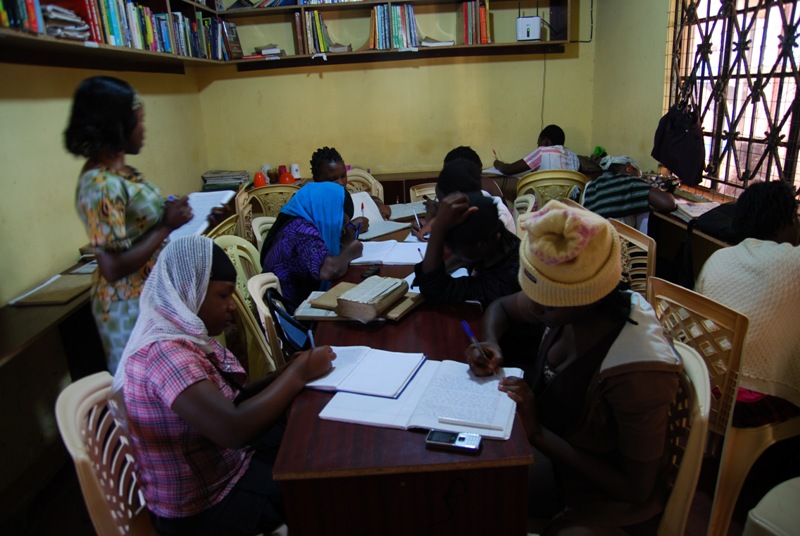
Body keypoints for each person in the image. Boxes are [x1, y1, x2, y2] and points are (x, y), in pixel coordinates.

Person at [468, 200, 682, 533]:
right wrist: (491, 341)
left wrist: (538, 434)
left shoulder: (638, 373)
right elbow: (502, 307)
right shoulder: (564, 301)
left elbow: (635, 489)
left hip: (598, 498)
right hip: (554, 455)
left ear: (587, 298)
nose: (533, 308)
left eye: (546, 307)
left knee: (473, 498)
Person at [113, 235, 336, 535]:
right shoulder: (164, 354)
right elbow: (233, 429)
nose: (232, 306)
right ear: (191, 290)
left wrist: (283, 373)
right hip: (204, 507)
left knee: (307, 443)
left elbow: (232, 399)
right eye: (223, 295)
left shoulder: (186, 334)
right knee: (321, 486)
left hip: (224, 469)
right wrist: (298, 375)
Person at [65, 76, 193, 374]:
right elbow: (112, 266)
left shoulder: (121, 173)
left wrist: (179, 214)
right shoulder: (99, 183)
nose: (143, 129)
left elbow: (140, 225)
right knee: (141, 384)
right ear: (118, 126)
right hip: (127, 305)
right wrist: (165, 226)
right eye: (139, 121)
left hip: (149, 294)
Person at [695, 180, 800, 427]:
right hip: (750, 405)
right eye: (796, 217)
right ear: (786, 221)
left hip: (703, 388)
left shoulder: (718, 257)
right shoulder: (794, 263)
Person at [260, 181, 363, 312]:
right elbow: (329, 270)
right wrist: (351, 252)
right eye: (340, 221)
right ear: (326, 209)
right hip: (290, 314)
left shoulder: (298, 219)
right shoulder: (302, 231)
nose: (341, 229)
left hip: (293, 304)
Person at [413, 189, 521, 309]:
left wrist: (438, 230)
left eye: (455, 249)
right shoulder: (496, 234)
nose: (451, 251)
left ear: (480, 245)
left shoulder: (501, 284)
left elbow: (433, 290)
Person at [412, 149, 516, 240]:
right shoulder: (470, 203)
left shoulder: (495, 214)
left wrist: (436, 224)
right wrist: (431, 219)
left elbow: (465, 244)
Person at [582, 155, 676, 233]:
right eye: (638, 174)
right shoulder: (630, 181)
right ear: (628, 167)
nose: (639, 178)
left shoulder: (591, 185)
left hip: (589, 240)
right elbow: (669, 203)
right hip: (615, 244)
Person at [310, 146, 390, 222]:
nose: (341, 183)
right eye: (332, 179)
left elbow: (365, 198)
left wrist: (379, 204)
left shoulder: (343, 196)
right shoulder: (311, 207)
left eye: (343, 176)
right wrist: (352, 227)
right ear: (316, 180)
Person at [492, 124, 580, 176]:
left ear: (545, 140)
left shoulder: (542, 152)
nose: (538, 146)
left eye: (539, 142)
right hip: (568, 201)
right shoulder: (574, 156)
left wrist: (498, 164)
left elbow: (509, 170)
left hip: (544, 200)